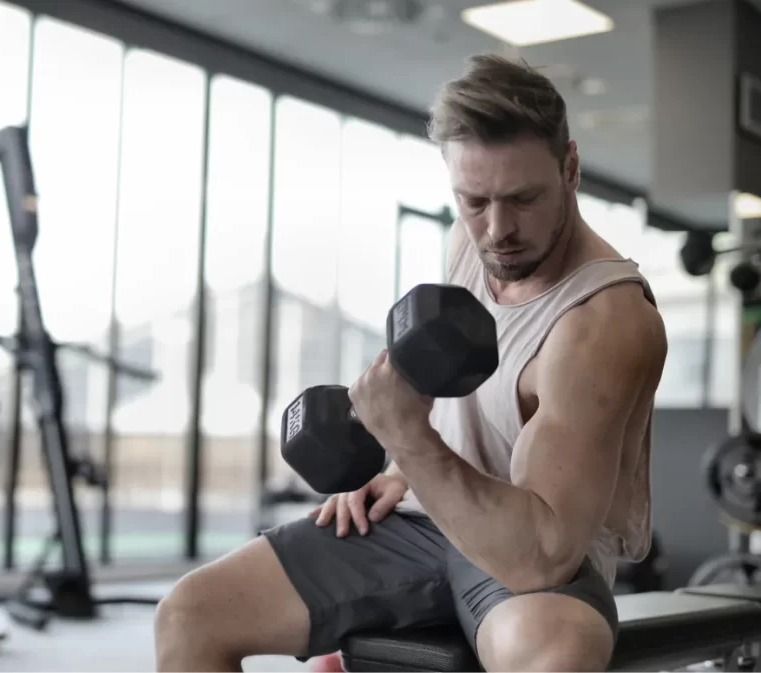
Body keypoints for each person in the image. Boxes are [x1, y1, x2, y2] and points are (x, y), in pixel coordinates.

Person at [153, 53, 668, 673]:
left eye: (523, 199)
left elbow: (543, 553)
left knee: (556, 655)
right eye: (474, 200)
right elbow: (461, 402)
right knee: (189, 614)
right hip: (424, 519)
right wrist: (401, 470)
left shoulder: (603, 322)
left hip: (528, 557)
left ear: (571, 168)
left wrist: (406, 438)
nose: (497, 229)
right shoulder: (470, 241)